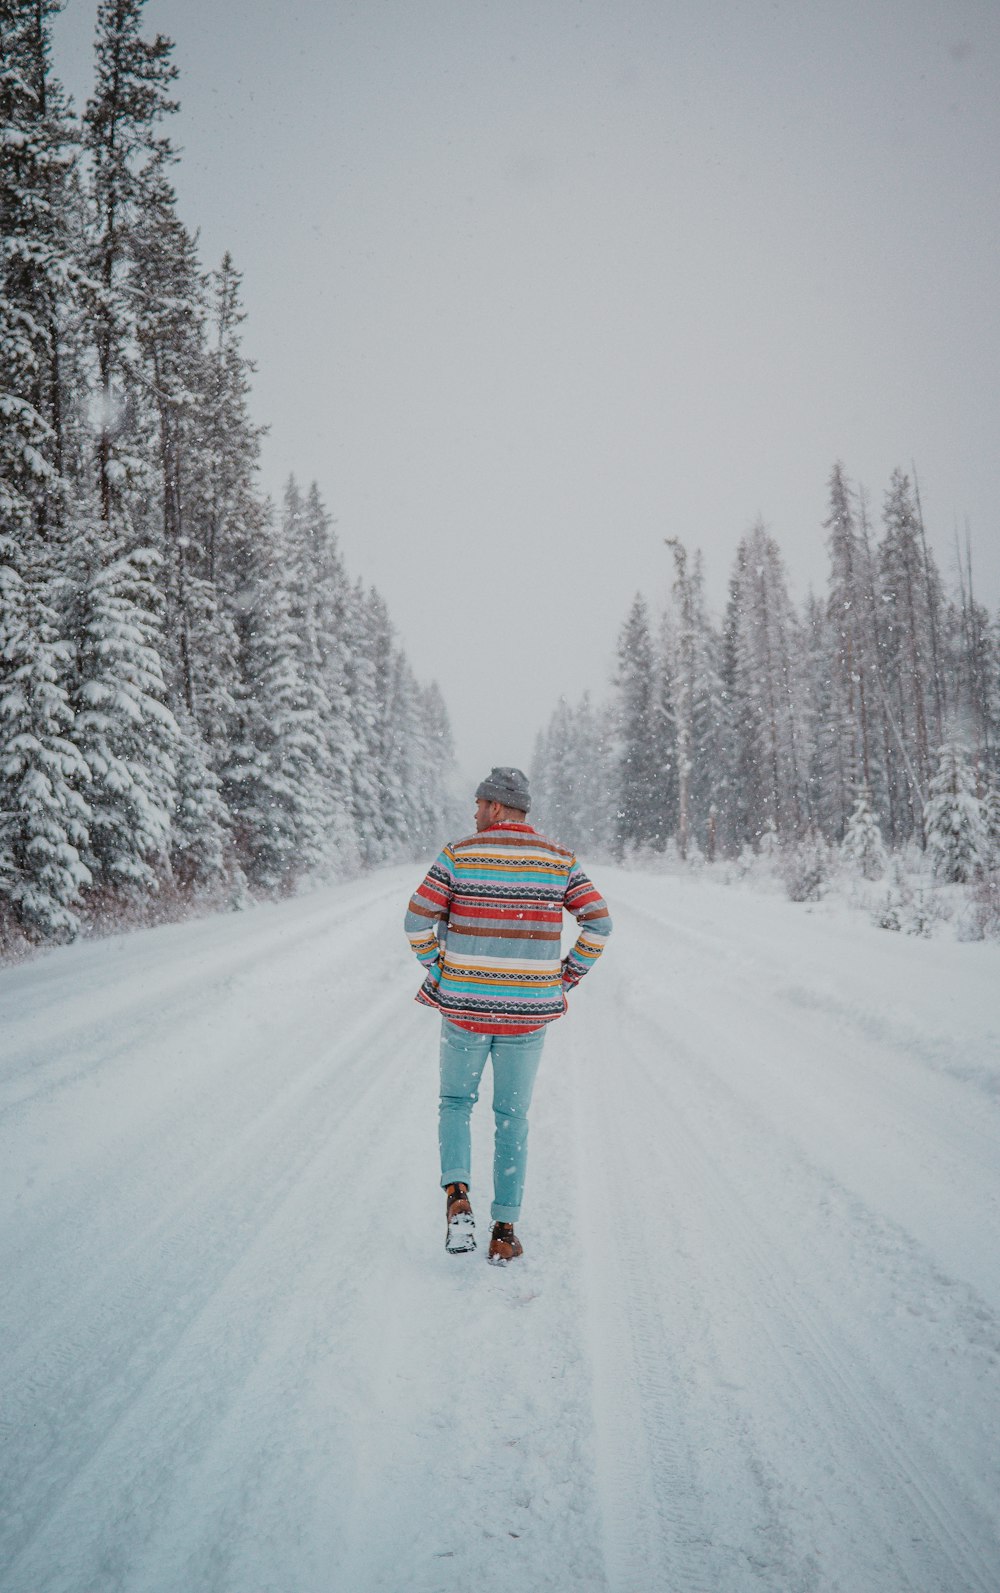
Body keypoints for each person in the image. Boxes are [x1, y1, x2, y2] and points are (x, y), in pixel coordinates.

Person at [404, 765, 612, 1264]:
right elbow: (599, 924)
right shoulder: (559, 860)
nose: (474, 813)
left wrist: (445, 969)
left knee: (455, 1103)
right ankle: (503, 1229)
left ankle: (457, 1199)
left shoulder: (458, 854)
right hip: (526, 1015)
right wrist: (561, 980)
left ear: (496, 806)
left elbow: (415, 921)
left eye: (479, 804)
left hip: (465, 1008)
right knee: (511, 1116)